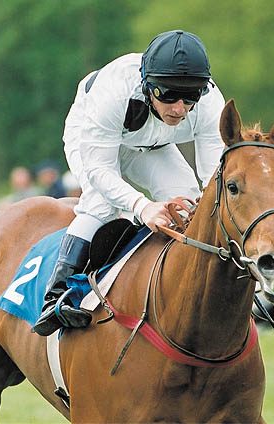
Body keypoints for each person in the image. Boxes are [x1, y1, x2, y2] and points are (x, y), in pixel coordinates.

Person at [32, 30, 225, 336]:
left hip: (153, 145)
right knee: (102, 203)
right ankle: (58, 296)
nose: (179, 108)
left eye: (190, 97)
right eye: (168, 95)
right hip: (96, 140)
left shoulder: (210, 99)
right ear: (148, 85)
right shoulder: (114, 89)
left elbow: (216, 173)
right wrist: (141, 206)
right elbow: (100, 169)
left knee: (187, 201)